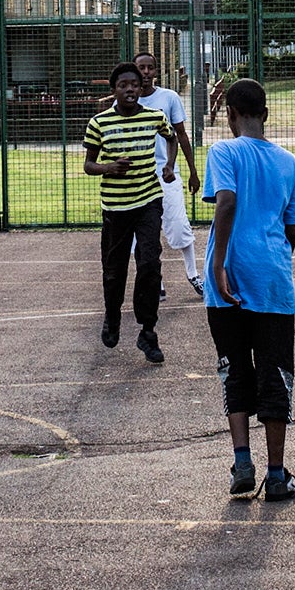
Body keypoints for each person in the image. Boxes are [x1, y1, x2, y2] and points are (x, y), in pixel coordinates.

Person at [203, 77, 295, 501]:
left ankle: (242, 462)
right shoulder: (290, 162)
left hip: (227, 278)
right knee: (276, 373)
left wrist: (218, 261)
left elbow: (225, 202)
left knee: (234, 370)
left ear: (229, 115)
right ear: (266, 113)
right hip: (272, 281)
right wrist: (274, 261)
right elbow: (292, 227)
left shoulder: (223, 151)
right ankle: (277, 474)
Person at [82, 61, 175, 363]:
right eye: (123, 85)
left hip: (148, 200)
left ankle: (148, 332)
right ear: (114, 91)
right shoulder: (100, 123)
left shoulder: (154, 117)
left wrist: (170, 165)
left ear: (141, 88)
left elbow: (171, 137)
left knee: (149, 263)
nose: (130, 89)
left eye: (134, 84)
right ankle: (112, 315)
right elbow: (88, 165)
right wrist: (109, 168)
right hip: (115, 207)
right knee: (114, 270)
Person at [130, 49, 202, 297]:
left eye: (150, 67)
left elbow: (180, 135)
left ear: (156, 71)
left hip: (167, 175)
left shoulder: (169, 98)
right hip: (139, 179)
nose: (146, 72)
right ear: (134, 71)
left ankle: (194, 275)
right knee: (143, 235)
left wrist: (192, 170)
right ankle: (154, 281)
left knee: (179, 225)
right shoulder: (127, 101)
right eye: (141, 68)